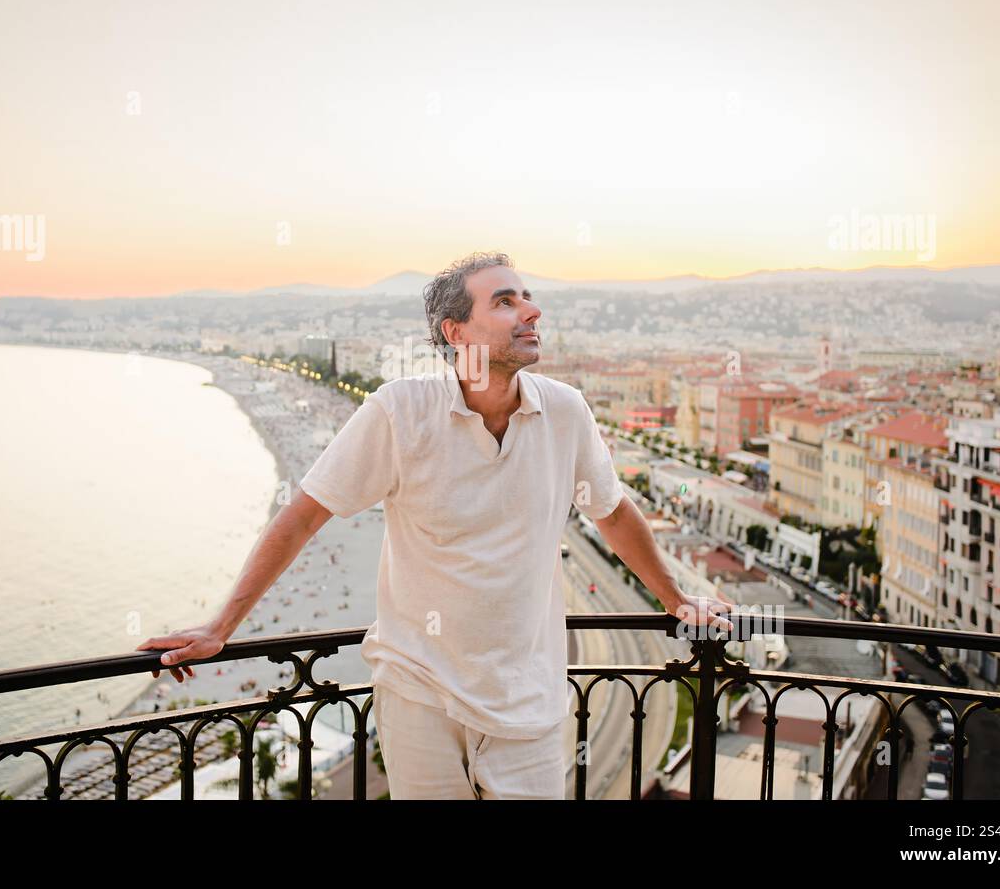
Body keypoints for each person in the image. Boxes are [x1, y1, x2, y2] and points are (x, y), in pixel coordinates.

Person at [135, 251, 734, 799]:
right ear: (457, 333)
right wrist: (220, 626)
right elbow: (302, 516)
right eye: (505, 301)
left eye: (525, 296)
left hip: (528, 699)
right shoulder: (400, 410)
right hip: (419, 695)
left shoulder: (565, 410)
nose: (532, 309)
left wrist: (677, 599)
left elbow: (614, 513)